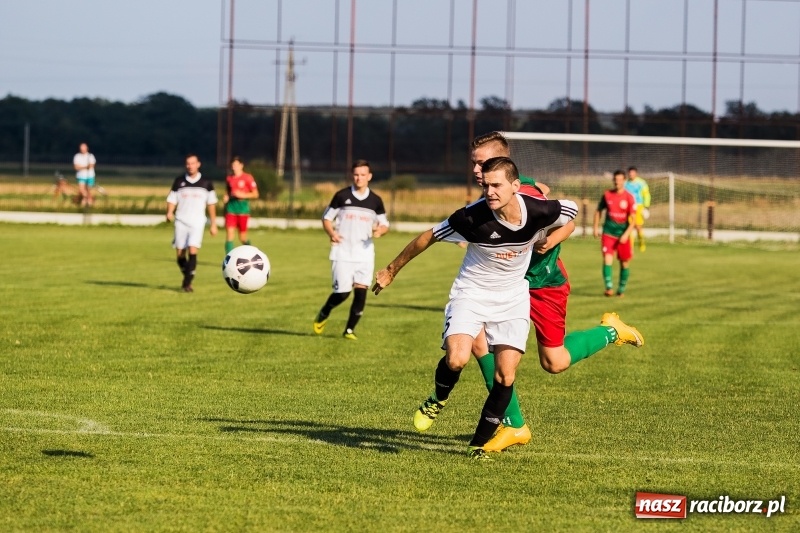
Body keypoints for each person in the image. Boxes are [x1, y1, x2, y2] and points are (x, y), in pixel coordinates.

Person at [373, 156, 578, 460]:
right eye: (486, 185)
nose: (489, 192)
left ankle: (477, 445)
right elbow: (428, 237)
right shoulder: (471, 217)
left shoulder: (539, 210)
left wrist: (549, 239)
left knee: (505, 376)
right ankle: (438, 398)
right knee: (457, 359)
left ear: (515, 186)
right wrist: (391, 270)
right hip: (471, 294)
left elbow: (571, 213)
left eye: (497, 185)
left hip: (512, 299)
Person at [466, 132, 645, 454]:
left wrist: (551, 239)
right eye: (474, 164)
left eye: (482, 163)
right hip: (509, 287)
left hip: (543, 284)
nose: (476, 170)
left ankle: (610, 330)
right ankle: (514, 425)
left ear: (503, 162)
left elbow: (568, 221)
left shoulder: (526, 192)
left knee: (555, 361)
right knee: (479, 341)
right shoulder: (498, 193)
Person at [313, 160, 389, 340]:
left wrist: (380, 231)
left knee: (361, 292)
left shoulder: (375, 200)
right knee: (342, 293)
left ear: (369, 176)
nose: (359, 178)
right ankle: (325, 311)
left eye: (363, 175)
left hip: (365, 254)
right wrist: (331, 233)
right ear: (352, 175)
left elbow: (384, 224)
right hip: (342, 253)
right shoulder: (341, 196)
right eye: (356, 174)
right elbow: (326, 218)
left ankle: (349, 330)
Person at [166, 154, 218, 292]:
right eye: (188, 163)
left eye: (193, 163)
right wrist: (169, 212)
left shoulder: (206, 182)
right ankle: (188, 274)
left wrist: (213, 224)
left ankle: (187, 283)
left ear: (198, 164)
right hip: (181, 221)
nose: (190, 166)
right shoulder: (179, 181)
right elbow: (172, 199)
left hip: (197, 222)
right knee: (180, 255)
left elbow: (211, 204)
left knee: (193, 249)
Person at [594, 170, 636, 297]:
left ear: (624, 181)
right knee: (607, 259)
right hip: (608, 233)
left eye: (620, 180)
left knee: (624, 263)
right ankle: (609, 288)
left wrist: (626, 234)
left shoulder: (629, 197)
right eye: (616, 179)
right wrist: (595, 227)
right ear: (613, 180)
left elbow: (634, 219)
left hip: (623, 235)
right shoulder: (607, 195)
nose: (617, 182)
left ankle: (621, 290)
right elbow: (598, 210)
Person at [223, 156, 260, 254]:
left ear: (241, 165)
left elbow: (256, 194)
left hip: (243, 210)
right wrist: (226, 197)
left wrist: (243, 195)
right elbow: (228, 192)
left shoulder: (247, 178)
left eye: (236, 165)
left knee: (242, 237)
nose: (234, 167)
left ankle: (252, 253)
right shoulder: (229, 178)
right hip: (231, 209)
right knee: (229, 235)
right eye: (232, 165)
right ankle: (229, 258)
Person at [624, 166, 651, 252]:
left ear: (636, 173)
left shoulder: (641, 183)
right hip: (629, 207)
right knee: (630, 227)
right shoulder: (625, 183)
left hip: (639, 207)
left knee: (638, 227)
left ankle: (641, 243)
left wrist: (646, 206)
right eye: (630, 173)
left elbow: (646, 194)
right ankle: (630, 247)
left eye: (633, 173)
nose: (631, 174)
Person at [72, 142, 96, 208]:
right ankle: (89, 200)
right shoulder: (77, 156)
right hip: (81, 176)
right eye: (81, 148)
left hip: (90, 176)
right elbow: (76, 167)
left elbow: (91, 165)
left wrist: (81, 167)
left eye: (84, 148)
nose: (82, 149)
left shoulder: (90, 156)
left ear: (87, 148)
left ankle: (86, 202)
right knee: (82, 190)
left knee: (88, 190)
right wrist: (85, 167)